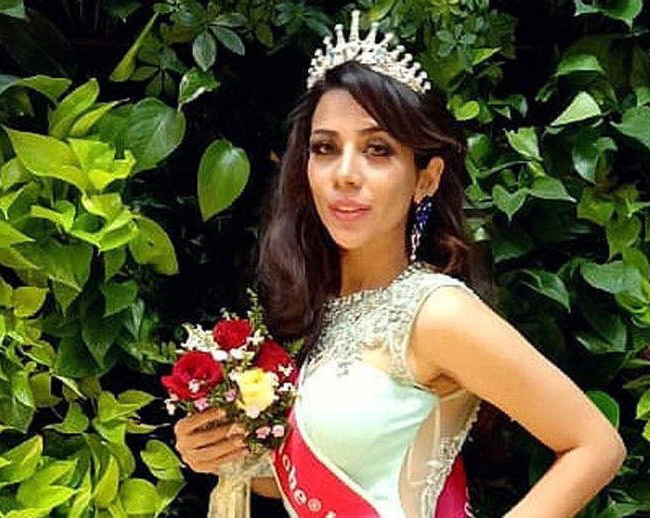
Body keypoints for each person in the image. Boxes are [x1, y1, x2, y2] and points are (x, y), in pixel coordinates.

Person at [173, 9, 626, 517]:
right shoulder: (323, 311)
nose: (345, 174)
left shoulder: (437, 313)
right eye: (326, 148)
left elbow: (595, 445)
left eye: (378, 150)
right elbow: (344, 479)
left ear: (426, 178)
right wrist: (221, 457)